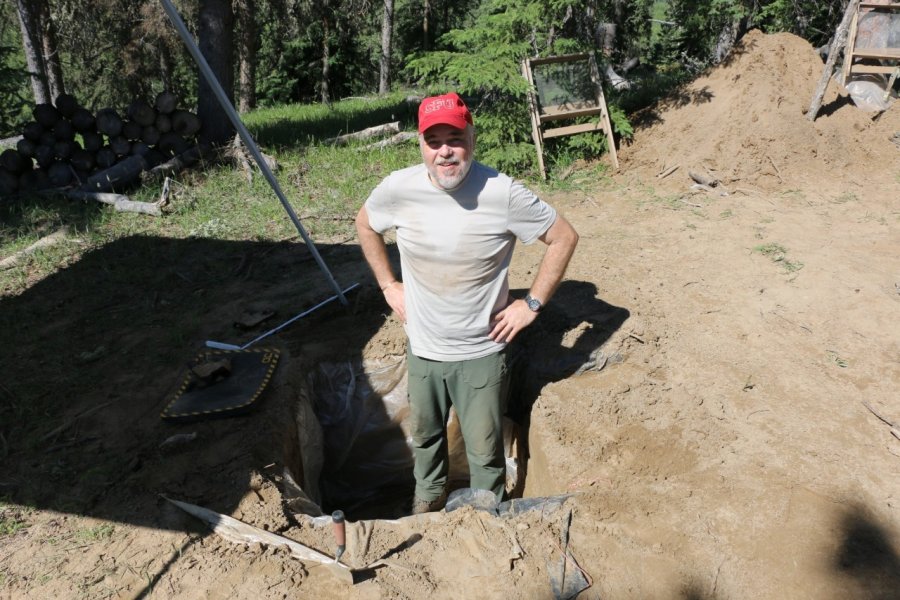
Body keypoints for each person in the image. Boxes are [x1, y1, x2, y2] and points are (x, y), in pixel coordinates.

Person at [355, 92, 578, 514]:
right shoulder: (398, 189)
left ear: (471, 137)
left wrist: (530, 304)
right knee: (424, 439)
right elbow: (365, 224)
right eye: (433, 140)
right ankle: (427, 500)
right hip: (423, 349)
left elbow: (563, 237)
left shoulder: (502, 192)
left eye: (454, 138)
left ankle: (486, 515)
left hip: (481, 353)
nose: (445, 151)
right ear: (421, 144)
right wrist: (388, 284)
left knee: (484, 449)